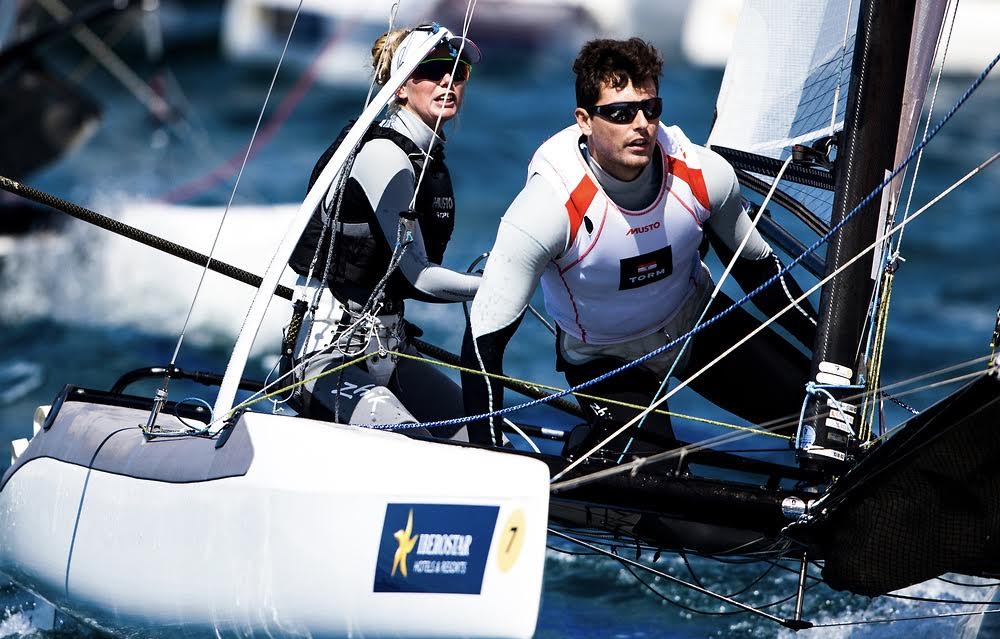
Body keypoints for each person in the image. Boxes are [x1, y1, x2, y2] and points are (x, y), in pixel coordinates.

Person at [461, 38, 817, 455]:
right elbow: (484, 342)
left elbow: (762, 274)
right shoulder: (548, 208)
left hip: (691, 321)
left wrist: (834, 354)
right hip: (603, 354)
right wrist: (486, 454)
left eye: (650, 109)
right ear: (585, 120)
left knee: (820, 421)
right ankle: (589, 454)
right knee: (656, 478)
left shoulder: (703, 176)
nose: (641, 124)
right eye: (620, 113)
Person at [285, 25, 482, 438]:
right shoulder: (384, 156)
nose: (447, 80)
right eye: (428, 70)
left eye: (458, 71)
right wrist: (500, 283)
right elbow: (419, 276)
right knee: (416, 448)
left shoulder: (426, 155)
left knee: (484, 438)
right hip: (329, 358)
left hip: (389, 349)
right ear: (400, 86)